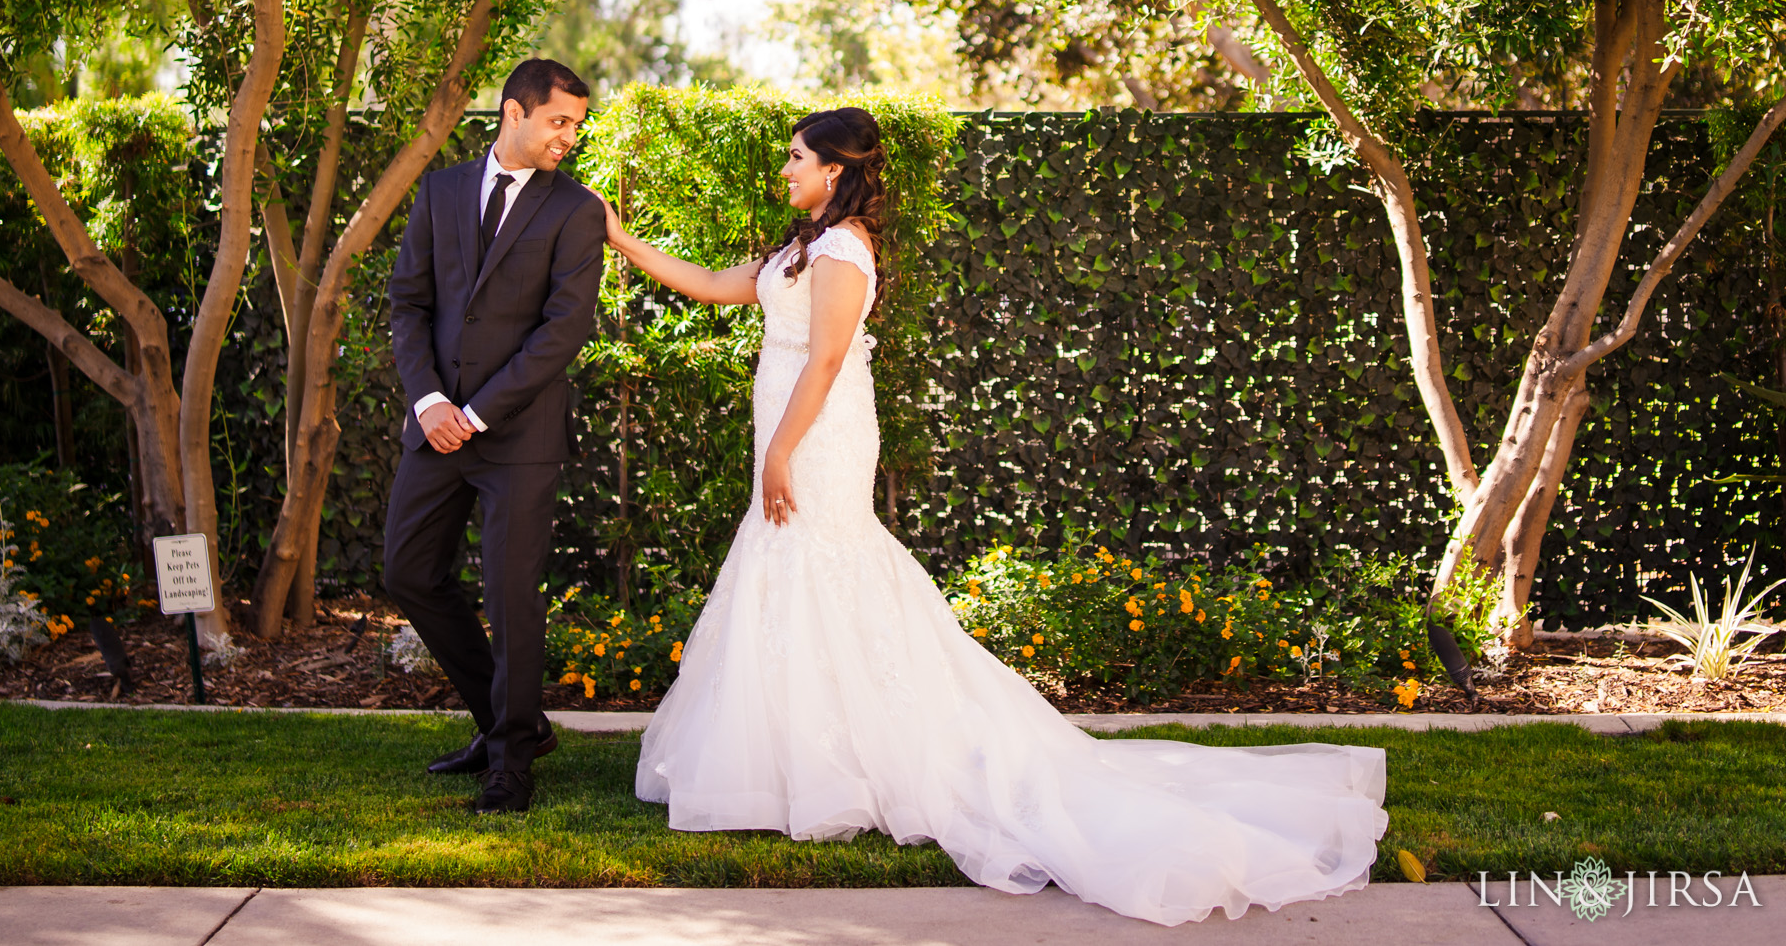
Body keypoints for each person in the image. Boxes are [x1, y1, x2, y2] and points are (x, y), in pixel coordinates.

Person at [600, 107, 1390, 925]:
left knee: (822, 566)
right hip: (793, 428)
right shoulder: (802, 246)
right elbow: (711, 283)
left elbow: (828, 360)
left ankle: (861, 760)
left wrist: (778, 454)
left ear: (833, 169)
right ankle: (807, 759)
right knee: (791, 576)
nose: (786, 169)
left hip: (819, 437)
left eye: (796, 157)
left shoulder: (842, 250)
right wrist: (620, 238)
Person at [384, 58, 604, 814]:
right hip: (434, 424)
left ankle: (510, 762)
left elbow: (563, 328)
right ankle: (510, 723)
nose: (569, 136)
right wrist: (430, 402)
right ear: (515, 112)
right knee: (408, 570)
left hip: (516, 434)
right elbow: (408, 304)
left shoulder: (575, 209)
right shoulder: (440, 190)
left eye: (576, 124)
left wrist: (476, 413)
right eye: (559, 121)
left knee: (511, 595)